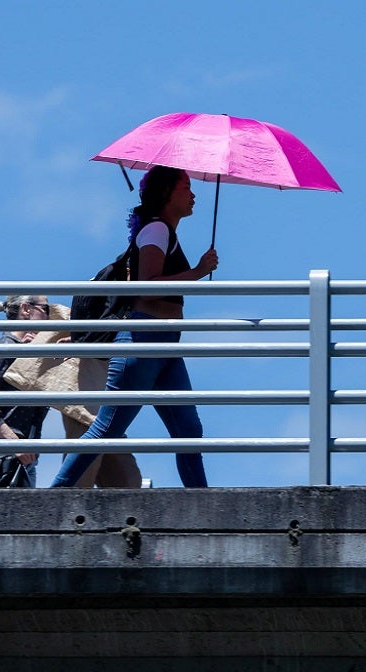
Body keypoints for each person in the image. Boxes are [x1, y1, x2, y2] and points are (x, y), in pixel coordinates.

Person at [51, 166, 218, 488]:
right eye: (186, 187)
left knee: (188, 431)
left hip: (163, 341)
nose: (193, 194)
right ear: (168, 193)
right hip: (144, 338)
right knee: (107, 429)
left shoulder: (163, 231)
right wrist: (198, 271)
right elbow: (148, 287)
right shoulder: (156, 231)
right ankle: (55, 496)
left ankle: (203, 501)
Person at [0, 295, 52, 487]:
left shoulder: (25, 350)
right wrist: (14, 442)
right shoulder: (7, 347)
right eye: (46, 310)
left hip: (19, 454)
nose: (50, 316)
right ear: (26, 309)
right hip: (2, 453)